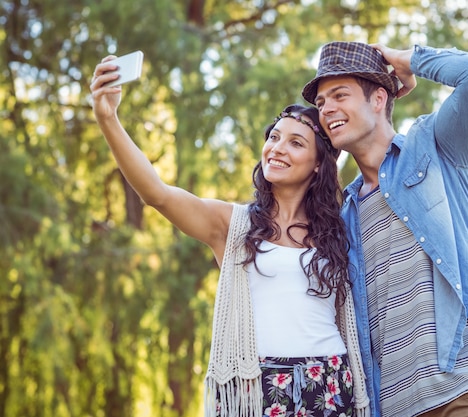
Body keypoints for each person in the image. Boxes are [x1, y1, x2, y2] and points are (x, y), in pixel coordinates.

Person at [90, 55, 369, 417]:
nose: (278, 148)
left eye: (296, 143)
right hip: (252, 387)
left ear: (319, 164)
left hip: (330, 383)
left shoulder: (339, 231)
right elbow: (156, 193)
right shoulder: (232, 225)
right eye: (274, 137)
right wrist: (107, 118)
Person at [301, 41, 468, 416]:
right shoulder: (345, 213)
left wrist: (406, 60)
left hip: (464, 386)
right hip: (398, 405)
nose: (327, 109)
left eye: (339, 95)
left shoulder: (434, 146)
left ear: (379, 99)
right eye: (320, 103)